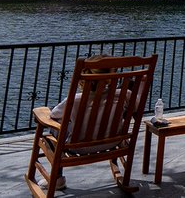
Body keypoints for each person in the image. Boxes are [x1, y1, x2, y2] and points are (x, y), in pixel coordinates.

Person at [40, 55, 131, 191]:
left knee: (53, 130)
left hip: (78, 147)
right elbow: (134, 109)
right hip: (113, 143)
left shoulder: (76, 100)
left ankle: (58, 178)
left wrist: (42, 113)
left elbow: (53, 116)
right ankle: (116, 164)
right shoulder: (124, 95)